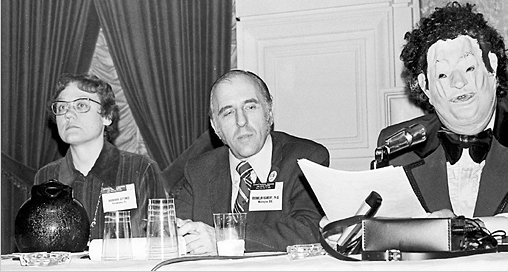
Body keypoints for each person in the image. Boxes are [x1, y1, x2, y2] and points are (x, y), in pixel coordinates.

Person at [377, 2, 508, 242]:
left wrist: (468, 229)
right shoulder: (398, 144)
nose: (458, 82)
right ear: (426, 87)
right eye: (442, 74)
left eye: (469, 67)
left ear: (492, 68)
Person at [172, 69, 330, 254]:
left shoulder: (305, 159)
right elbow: (175, 231)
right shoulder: (199, 169)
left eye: (250, 107)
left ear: (269, 113)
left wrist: (224, 239)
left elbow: (309, 229)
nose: (241, 121)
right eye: (228, 112)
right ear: (216, 127)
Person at [34, 73, 168, 240]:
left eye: (81, 105)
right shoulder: (46, 177)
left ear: (106, 116)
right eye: (62, 107)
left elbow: (159, 243)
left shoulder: (141, 169)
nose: (68, 114)